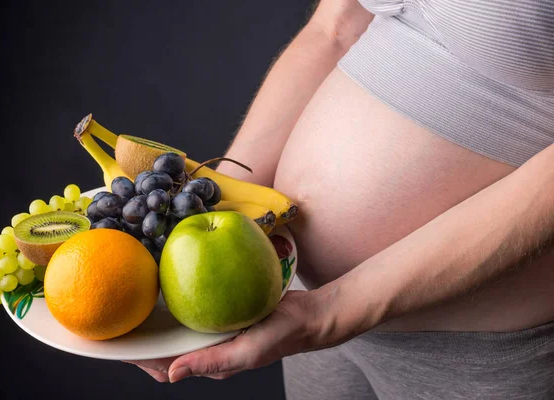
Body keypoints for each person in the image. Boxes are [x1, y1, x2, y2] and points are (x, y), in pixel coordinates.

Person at [127, 0, 554, 398]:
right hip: (303, 309)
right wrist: (203, 222)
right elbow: (333, 30)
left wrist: (333, 313)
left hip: (469, 349)